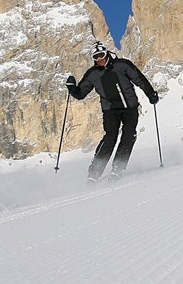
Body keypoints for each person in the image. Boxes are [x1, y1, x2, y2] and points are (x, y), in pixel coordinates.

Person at [65, 41, 159, 182]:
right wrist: (72, 88)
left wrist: (151, 94)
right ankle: (94, 173)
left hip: (129, 108)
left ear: (106, 53)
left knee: (128, 135)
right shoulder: (93, 74)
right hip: (110, 111)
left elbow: (139, 79)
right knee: (110, 138)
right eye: (96, 57)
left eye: (101, 55)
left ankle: (118, 168)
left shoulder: (122, 65)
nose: (100, 59)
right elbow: (81, 94)